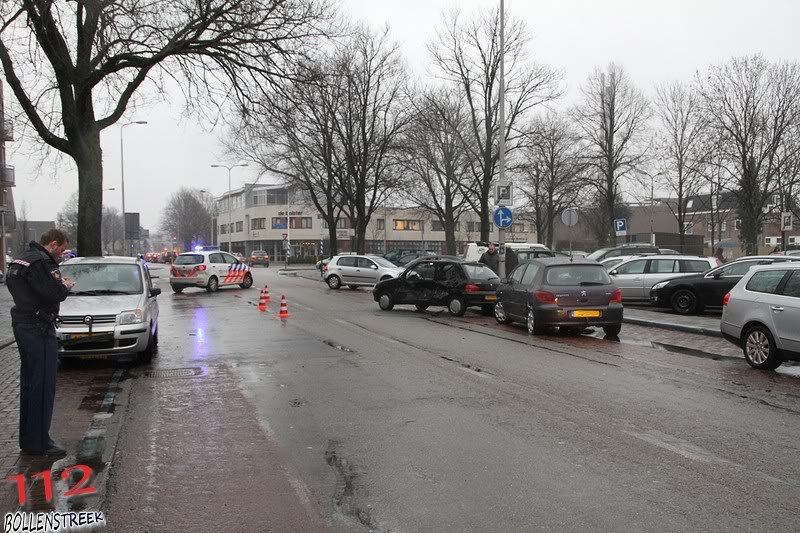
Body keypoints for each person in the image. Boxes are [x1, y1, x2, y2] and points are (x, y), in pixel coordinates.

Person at [6, 229, 73, 457]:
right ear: (53, 244)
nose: (62, 255)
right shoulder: (43, 262)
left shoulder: (21, 259)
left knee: (29, 384)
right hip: (39, 328)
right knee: (43, 386)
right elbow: (54, 293)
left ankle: (28, 439)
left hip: (23, 324)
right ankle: (40, 443)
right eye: (62, 250)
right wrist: (65, 286)